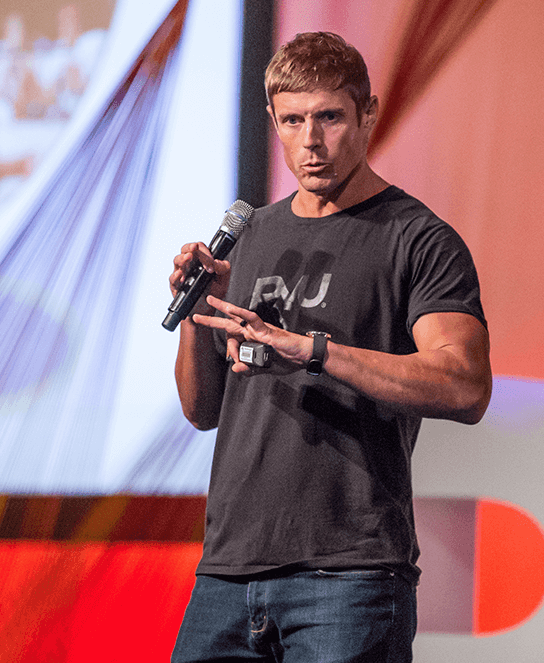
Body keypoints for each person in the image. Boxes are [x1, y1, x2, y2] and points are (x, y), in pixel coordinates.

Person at [168, 32, 492, 662]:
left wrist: (314, 350)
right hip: (229, 570)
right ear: (273, 122)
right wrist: (195, 312)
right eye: (293, 120)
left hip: (350, 574)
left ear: (367, 113)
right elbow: (204, 412)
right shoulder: (254, 233)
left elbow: (464, 385)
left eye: (330, 117)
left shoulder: (417, 239)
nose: (311, 142)